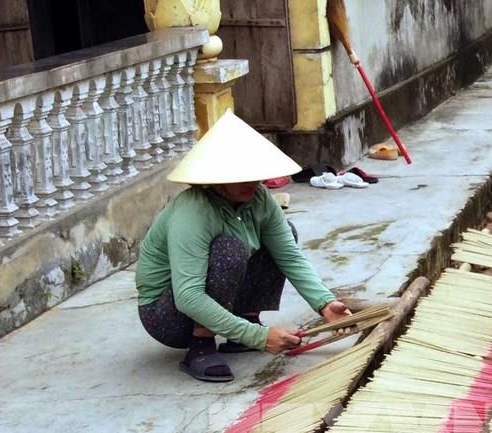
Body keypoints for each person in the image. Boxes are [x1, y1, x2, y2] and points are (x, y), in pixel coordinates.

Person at [135, 111, 349, 382]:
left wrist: (325, 304)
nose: (253, 182)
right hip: (166, 316)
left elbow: (289, 257)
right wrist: (260, 338)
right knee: (229, 250)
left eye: (256, 174)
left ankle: (247, 321)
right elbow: (188, 296)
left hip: (215, 301)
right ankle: (200, 345)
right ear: (217, 177)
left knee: (285, 233)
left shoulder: (260, 200)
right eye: (242, 176)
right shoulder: (194, 212)